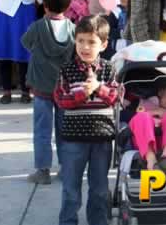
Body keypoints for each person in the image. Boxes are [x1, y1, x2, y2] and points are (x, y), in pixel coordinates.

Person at [54, 15, 118, 225]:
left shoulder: (109, 69)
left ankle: (98, 221)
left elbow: (116, 97)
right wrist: (83, 93)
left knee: (99, 187)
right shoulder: (67, 70)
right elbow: (61, 99)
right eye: (80, 41)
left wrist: (98, 87)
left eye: (91, 42)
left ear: (104, 45)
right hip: (73, 140)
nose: (85, 47)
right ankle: (68, 221)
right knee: (70, 187)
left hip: (101, 139)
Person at [22, 0, 76, 185]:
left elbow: (26, 43)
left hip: (42, 88)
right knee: (65, 130)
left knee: (42, 131)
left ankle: (43, 171)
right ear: (68, 6)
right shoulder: (73, 29)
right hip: (65, 88)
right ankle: (65, 168)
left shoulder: (37, 27)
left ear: (44, 5)